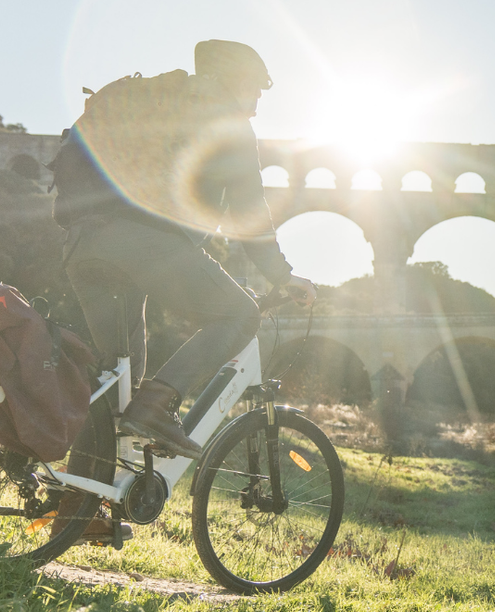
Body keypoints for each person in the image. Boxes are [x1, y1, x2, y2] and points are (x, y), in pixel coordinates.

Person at [50, 40, 314, 462]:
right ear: (239, 82)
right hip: (146, 244)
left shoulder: (152, 100)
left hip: (82, 243)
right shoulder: (227, 120)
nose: (257, 107)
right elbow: (249, 213)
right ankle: (159, 405)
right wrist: (282, 275)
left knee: (118, 387)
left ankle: (79, 511)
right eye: (257, 92)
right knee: (240, 314)